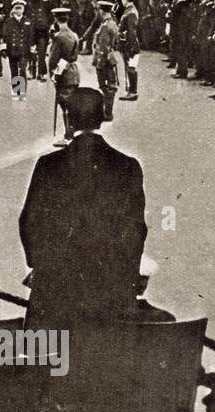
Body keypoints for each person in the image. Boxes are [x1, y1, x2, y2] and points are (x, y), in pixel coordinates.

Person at [19, 87, 148, 325]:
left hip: (55, 292)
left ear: (68, 118)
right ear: (102, 118)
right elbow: (136, 231)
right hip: (108, 295)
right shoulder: (128, 166)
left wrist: (41, 265)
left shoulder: (48, 165)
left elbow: (28, 222)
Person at [47, 7, 81, 147]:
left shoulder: (59, 37)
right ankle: (71, 134)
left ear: (55, 19)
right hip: (73, 71)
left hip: (63, 74)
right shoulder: (74, 34)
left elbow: (53, 59)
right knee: (70, 104)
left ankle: (68, 137)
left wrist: (52, 74)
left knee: (66, 105)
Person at [91, 0, 120, 122]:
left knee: (106, 87)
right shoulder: (111, 23)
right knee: (109, 86)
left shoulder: (105, 26)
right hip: (110, 58)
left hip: (104, 60)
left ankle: (107, 113)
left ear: (102, 11)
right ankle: (107, 111)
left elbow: (103, 46)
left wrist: (99, 63)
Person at [2, 0, 34, 100]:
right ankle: (16, 91)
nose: (19, 10)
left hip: (24, 51)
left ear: (23, 10)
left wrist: (32, 50)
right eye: (17, 8)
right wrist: (3, 49)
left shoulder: (28, 21)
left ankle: (22, 92)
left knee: (23, 70)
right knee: (14, 71)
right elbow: (4, 35)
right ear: (14, 10)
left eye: (21, 8)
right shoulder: (8, 21)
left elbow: (31, 37)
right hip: (12, 50)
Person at [117, 0, 141, 101]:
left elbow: (132, 31)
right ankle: (131, 91)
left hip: (131, 45)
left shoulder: (131, 12)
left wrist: (132, 46)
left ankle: (133, 92)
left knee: (131, 68)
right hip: (128, 43)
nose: (122, 1)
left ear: (127, 0)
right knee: (129, 67)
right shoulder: (129, 10)